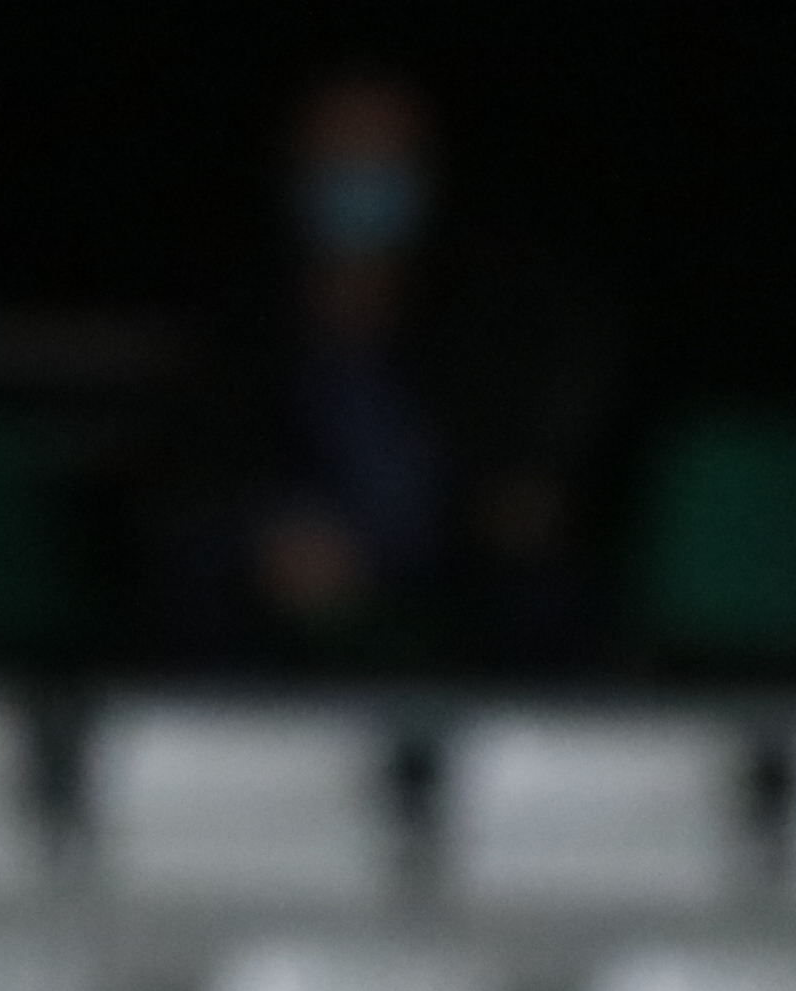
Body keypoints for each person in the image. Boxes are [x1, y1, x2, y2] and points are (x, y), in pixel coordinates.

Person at [174, 67, 608, 673]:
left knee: (540, 587)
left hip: (453, 574)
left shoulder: (492, 309)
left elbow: (524, 479)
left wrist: (481, 520)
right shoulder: (244, 318)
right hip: (284, 584)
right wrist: (269, 527)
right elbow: (207, 461)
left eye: (383, 155)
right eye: (342, 155)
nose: (362, 176)